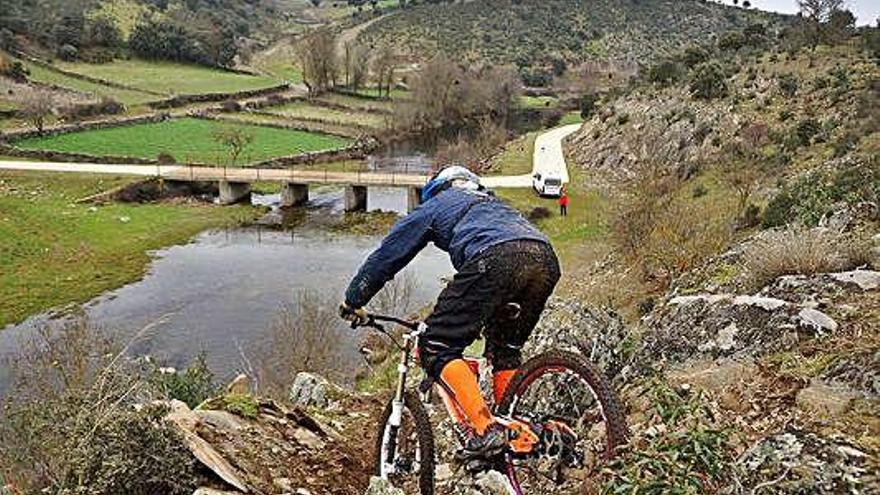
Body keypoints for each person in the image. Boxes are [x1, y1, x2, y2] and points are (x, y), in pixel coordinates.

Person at [340, 165, 560, 468]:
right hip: (545, 259)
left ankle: (488, 430)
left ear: (437, 188)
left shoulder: (436, 205)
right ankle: (514, 426)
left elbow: (389, 255)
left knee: (437, 344)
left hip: (494, 259)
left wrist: (354, 299)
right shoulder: (493, 203)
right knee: (505, 349)